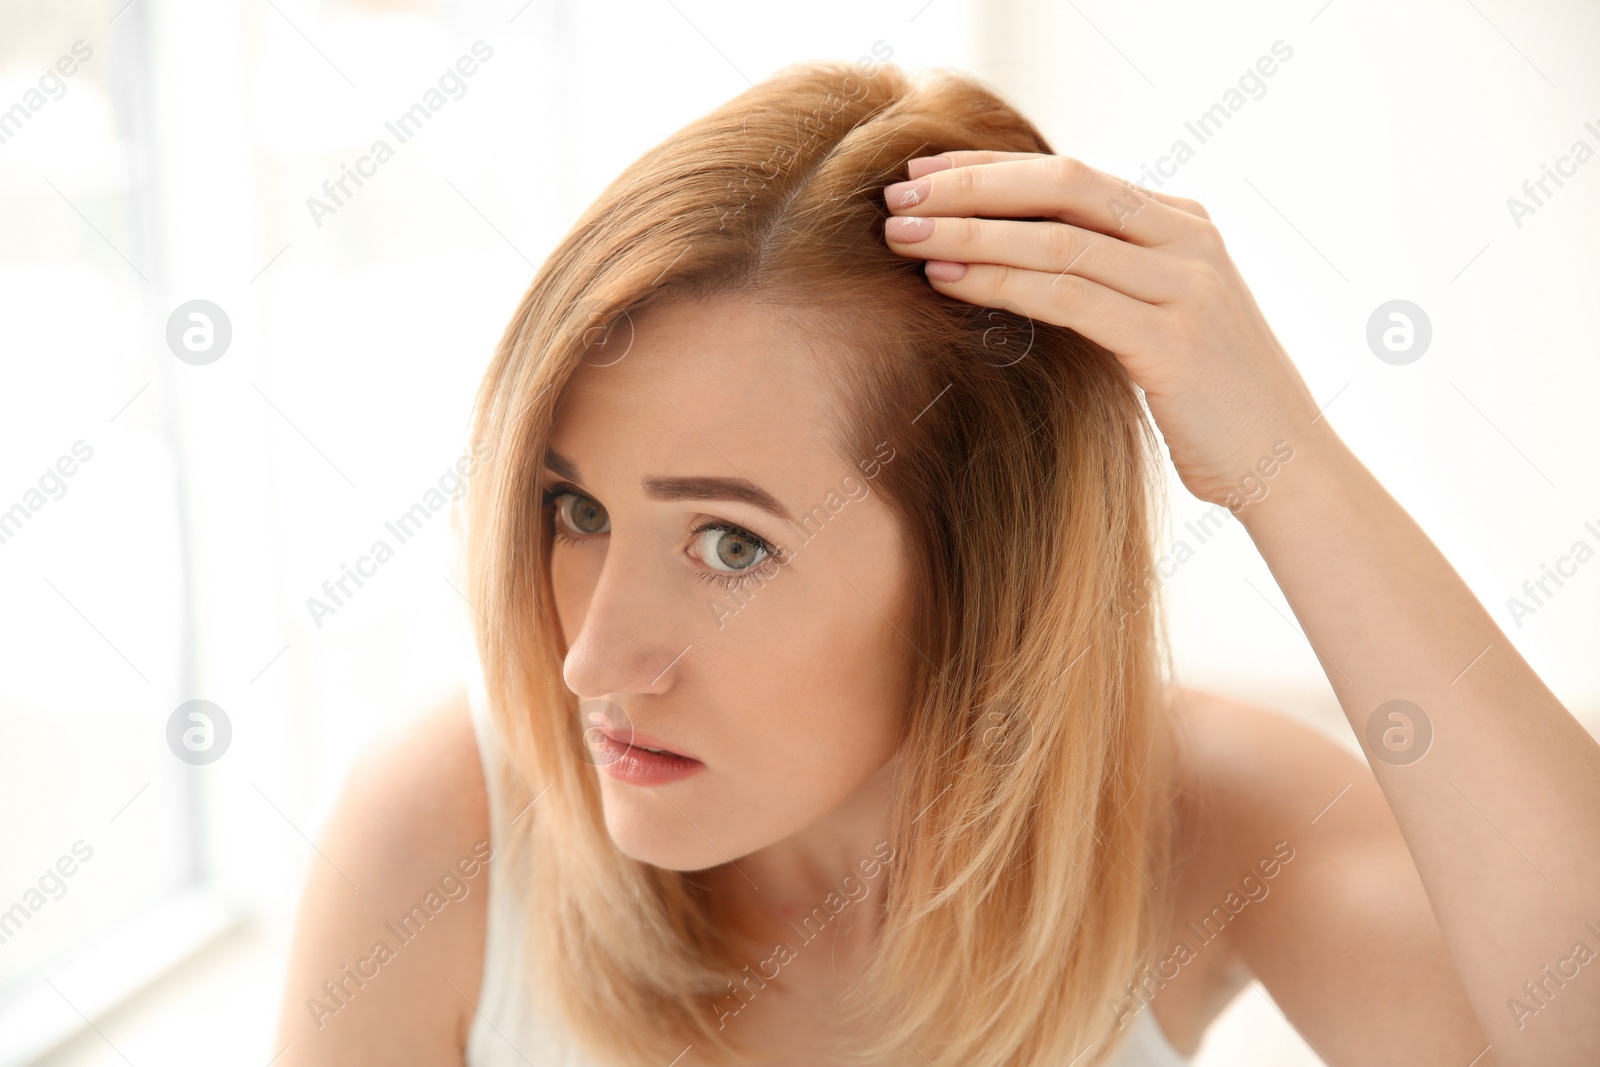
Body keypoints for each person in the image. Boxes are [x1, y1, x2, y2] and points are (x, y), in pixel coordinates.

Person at [274, 60, 1600, 1067]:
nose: (591, 657)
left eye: (730, 543)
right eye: (575, 510)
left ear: (982, 572)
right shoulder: (442, 838)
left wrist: (1284, 460)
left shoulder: (1195, 823)